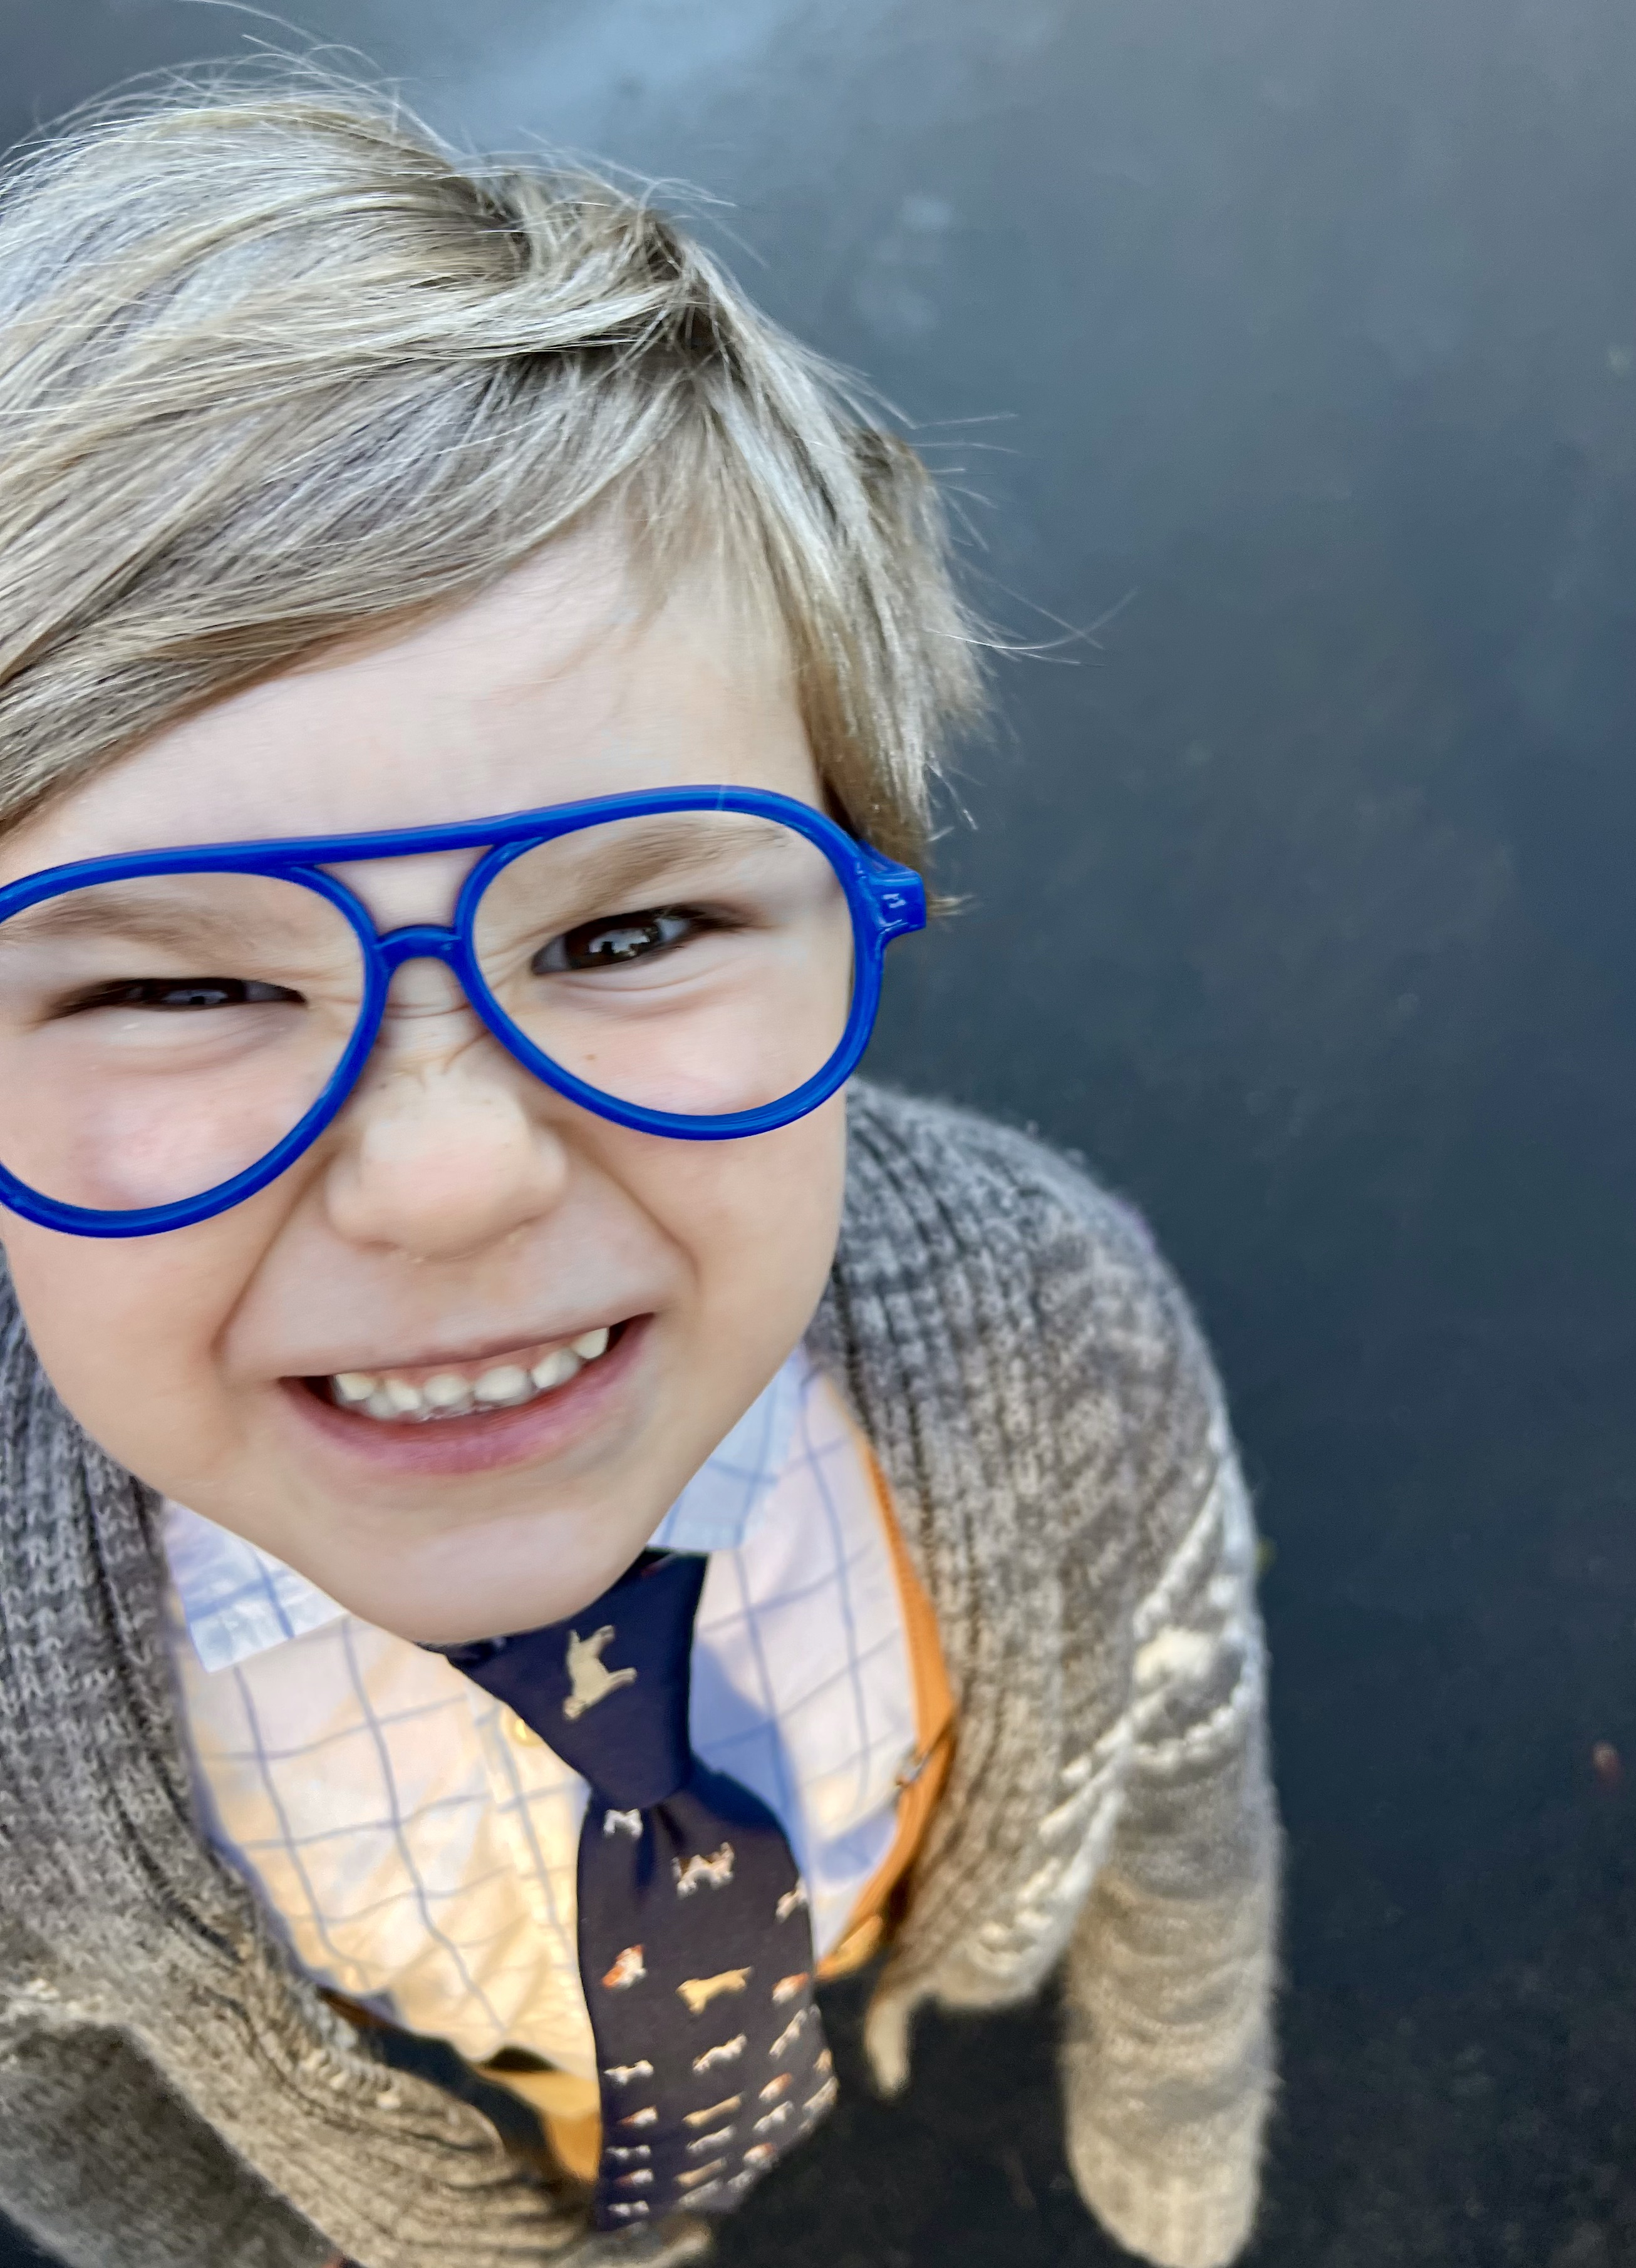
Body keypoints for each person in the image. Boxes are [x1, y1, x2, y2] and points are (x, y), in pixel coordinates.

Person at [0, 77, 1278, 2268]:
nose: (447, 1176)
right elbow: (46, 2075)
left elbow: (1182, 1747)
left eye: (623, 935)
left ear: (875, 898)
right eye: (173, 993)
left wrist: (1174, 2120)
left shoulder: (1060, 1341)